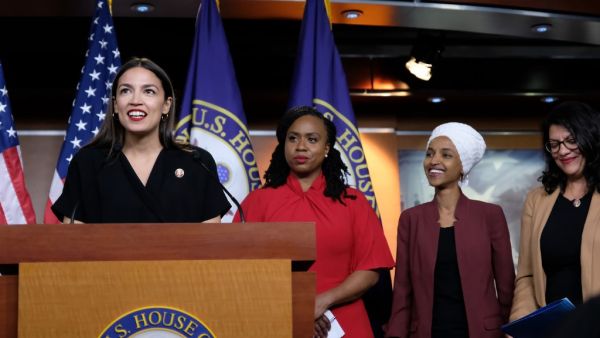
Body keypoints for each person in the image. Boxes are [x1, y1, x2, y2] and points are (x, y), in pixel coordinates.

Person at [233, 106, 394, 338]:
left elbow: (369, 271)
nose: (301, 146)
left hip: (345, 322)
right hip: (277, 318)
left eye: (312, 139)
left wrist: (321, 302)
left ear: (327, 148)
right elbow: (242, 270)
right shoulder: (258, 201)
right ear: (284, 145)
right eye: (293, 138)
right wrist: (298, 307)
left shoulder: (354, 202)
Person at [51, 57, 230, 223]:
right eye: (126, 91)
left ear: (166, 105)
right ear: (115, 104)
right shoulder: (87, 162)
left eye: (149, 91)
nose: (135, 100)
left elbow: (211, 243)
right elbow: (73, 243)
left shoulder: (197, 162)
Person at [385, 122, 515, 338]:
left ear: (463, 165)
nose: (433, 161)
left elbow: (506, 288)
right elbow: (402, 293)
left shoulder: (490, 215)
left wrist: (513, 329)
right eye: (429, 154)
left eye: (446, 155)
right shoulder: (411, 219)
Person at [510, 101, 600, 321]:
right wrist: (520, 321)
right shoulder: (536, 199)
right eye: (554, 144)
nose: (563, 151)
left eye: (571, 140)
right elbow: (527, 276)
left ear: (591, 138)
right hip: (552, 330)